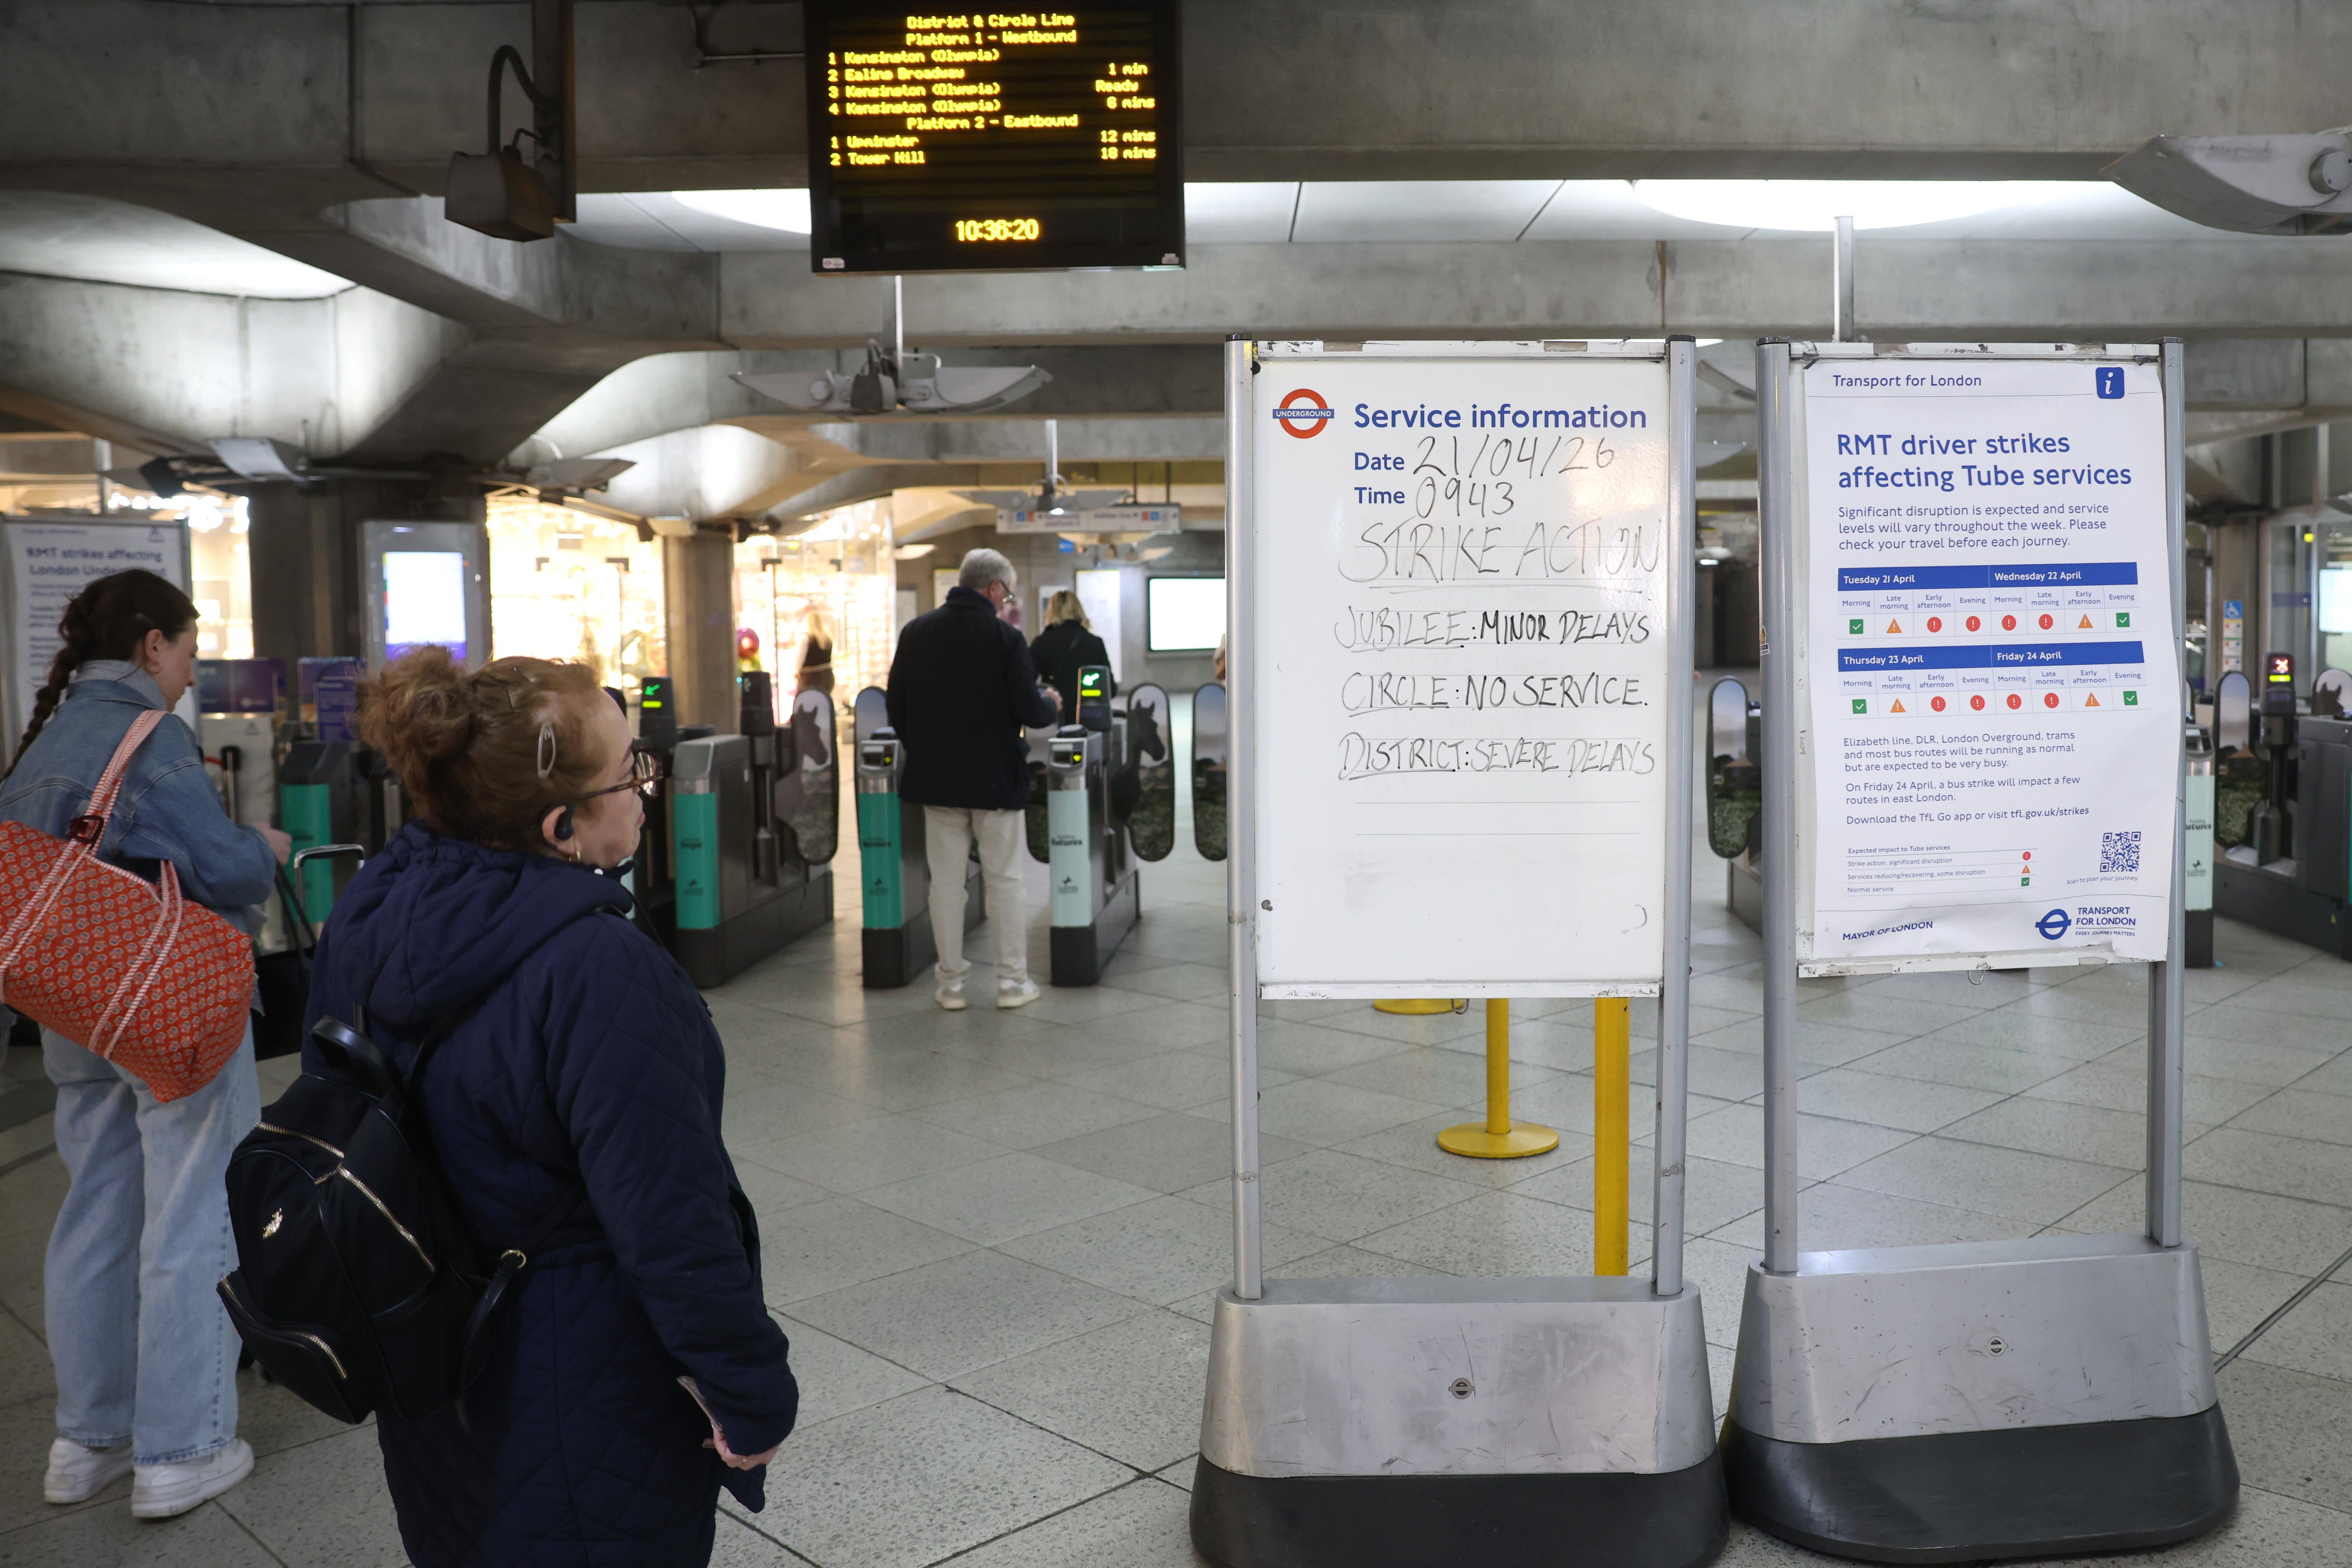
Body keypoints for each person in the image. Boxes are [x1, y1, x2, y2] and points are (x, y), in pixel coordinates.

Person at [304, 649, 796, 1567]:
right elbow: (669, 1214)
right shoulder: (597, 967)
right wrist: (749, 1389)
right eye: (629, 771)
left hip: (431, 1359)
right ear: (561, 825)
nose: (645, 788)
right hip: (585, 1380)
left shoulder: (370, 910)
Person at [0, 569, 290, 1518]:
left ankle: (89, 1442)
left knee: (95, 1211)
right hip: (162, 1007)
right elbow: (221, 867)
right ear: (150, 645)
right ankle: (181, 1446)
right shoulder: (148, 735)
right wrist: (264, 847)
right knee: (194, 1207)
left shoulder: (42, 742)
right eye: (188, 652)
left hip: (69, 1007)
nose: (190, 674)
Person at [886, 548, 1061, 1009]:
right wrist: (1050, 703)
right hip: (995, 779)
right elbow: (1030, 710)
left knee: (945, 885)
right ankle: (1011, 983)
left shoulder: (916, 632)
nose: (1007, 601)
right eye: (1008, 593)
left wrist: (925, 748)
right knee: (1005, 880)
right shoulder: (1006, 638)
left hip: (938, 779)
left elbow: (896, 705)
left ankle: (951, 986)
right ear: (995, 588)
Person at [1029, 589, 1116, 719]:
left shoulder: (1041, 643)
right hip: (1088, 719)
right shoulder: (1095, 643)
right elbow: (1111, 690)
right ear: (1079, 611)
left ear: (1051, 612)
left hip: (1055, 718)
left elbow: (1028, 685)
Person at [794, 604, 835, 697]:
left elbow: (801, 658)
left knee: (805, 701)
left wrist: (797, 672)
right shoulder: (828, 639)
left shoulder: (807, 639)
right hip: (827, 676)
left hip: (809, 678)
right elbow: (832, 660)